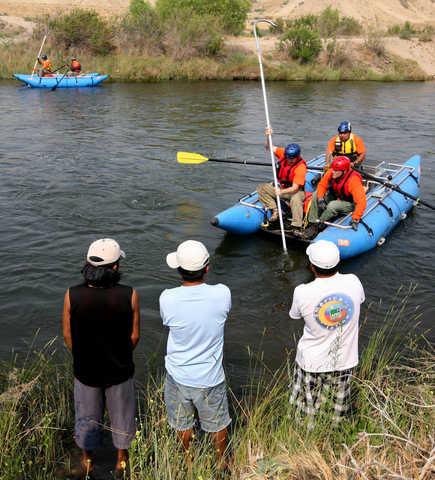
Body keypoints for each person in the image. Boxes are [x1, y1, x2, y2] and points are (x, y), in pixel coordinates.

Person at [62, 238, 140, 479]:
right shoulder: (129, 294)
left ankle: (87, 461)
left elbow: (67, 334)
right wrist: (119, 355)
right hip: (120, 370)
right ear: (115, 267)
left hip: (85, 370)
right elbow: (134, 336)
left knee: (86, 417)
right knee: (122, 418)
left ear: (88, 264)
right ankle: (121, 461)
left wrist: (84, 354)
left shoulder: (72, 295)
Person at [159, 240, 232, 470]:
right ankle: (222, 461)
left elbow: (167, 322)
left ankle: (188, 460)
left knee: (182, 422)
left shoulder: (167, 297)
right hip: (210, 376)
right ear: (207, 268)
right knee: (218, 422)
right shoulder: (222, 293)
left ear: (179, 270)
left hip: (179, 375)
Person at [289, 240, 365, 428]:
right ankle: (331, 439)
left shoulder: (302, 291)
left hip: (310, 362)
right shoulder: (354, 281)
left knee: (305, 411)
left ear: (312, 267)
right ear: (339, 262)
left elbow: (295, 316)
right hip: (344, 361)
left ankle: (304, 444)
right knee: (336, 412)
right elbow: (359, 301)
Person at [304, 156, 367, 237]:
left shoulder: (353, 181)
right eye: (333, 169)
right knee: (316, 194)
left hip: (349, 203)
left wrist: (356, 218)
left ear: (344, 171)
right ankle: (312, 221)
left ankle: (318, 225)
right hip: (338, 196)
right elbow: (322, 185)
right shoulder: (332, 172)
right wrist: (320, 199)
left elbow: (361, 201)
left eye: (336, 171)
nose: (333, 172)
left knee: (333, 205)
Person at [257, 142, 307, 229]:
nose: (290, 160)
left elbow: (295, 188)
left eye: (293, 158)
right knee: (262, 188)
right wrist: (268, 135)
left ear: (298, 156)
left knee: (296, 198)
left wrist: (281, 192)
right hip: (282, 188)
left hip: (296, 191)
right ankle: (275, 210)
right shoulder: (283, 153)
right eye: (289, 158)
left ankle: (296, 225)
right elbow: (268, 146)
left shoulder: (301, 167)